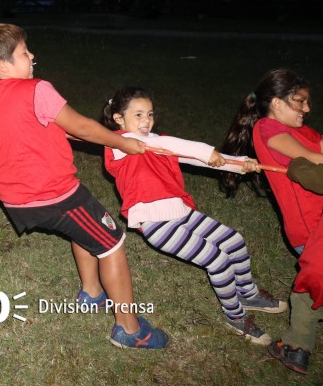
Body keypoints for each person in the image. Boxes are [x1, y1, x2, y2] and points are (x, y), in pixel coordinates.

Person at [0, 23, 167, 349]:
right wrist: (128, 145)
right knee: (113, 242)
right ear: (3, 65)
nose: (32, 55)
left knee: (85, 229)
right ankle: (130, 329)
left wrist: (109, 139)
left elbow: (49, 128)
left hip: (17, 198)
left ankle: (91, 293)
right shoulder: (37, 88)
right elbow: (78, 125)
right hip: (51, 195)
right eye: (23, 52)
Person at [101, 86, 285, 346]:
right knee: (217, 260)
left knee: (234, 241)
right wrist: (206, 150)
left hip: (181, 212)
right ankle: (234, 316)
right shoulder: (119, 143)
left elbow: (192, 157)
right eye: (138, 114)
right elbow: (172, 145)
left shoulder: (157, 141)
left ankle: (248, 294)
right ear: (119, 119)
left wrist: (239, 163)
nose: (146, 121)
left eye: (150, 114)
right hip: (157, 224)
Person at [222, 68, 323, 374]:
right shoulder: (267, 128)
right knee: (312, 283)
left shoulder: (300, 129)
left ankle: (297, 349)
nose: (307, 109)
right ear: (277, 102)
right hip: (310, 226)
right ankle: (296, 348)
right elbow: (313, 156)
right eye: (299, 102)